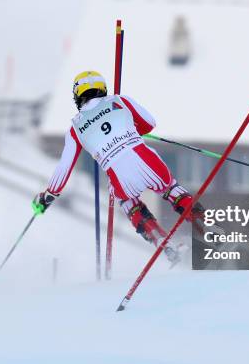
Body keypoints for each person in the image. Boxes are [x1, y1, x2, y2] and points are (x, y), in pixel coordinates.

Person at [35, 71, 203, 264]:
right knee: (171, 189)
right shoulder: (119, 100)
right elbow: (149, 124)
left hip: (119, 176)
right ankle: (208, 228)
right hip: (145, 158)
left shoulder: (75, 129)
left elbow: (64, 168)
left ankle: (163, 242)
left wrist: (49, 195)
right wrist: (130, 129)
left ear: (78, 96)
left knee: (128, 202)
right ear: (102, 89)